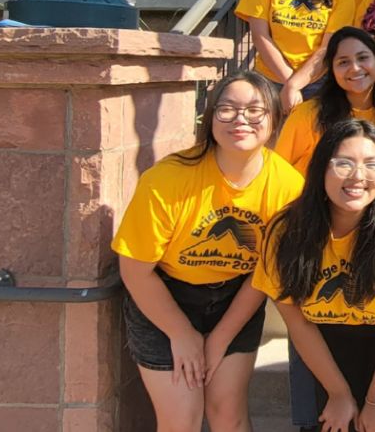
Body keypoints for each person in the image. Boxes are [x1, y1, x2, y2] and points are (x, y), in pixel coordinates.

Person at [111, 72, 304, 432]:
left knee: (227, 415)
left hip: (236, 296)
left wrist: (220, 338)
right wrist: (181, 333)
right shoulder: (167, 180)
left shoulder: (288, 187)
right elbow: (135, 270)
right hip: (164, 294)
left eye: (254, 110)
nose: (240, 119)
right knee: (181, 419)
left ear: (274, 118)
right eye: (227, 109)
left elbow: (266, 272)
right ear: (210, 118)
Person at [254, 119, 375, 432]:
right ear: (320, 169)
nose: (358, 176)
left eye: (371, 165)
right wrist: (338, 393)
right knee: (332, 421)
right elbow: (297, 320)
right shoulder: (286, 230)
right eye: (343, 163)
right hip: (326, 332)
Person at [275, 26, 375, 176]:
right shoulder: (308, 114)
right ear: (331, 70)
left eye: (363, 58)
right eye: (343, 62)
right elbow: (278, 171)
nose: (355, 68)